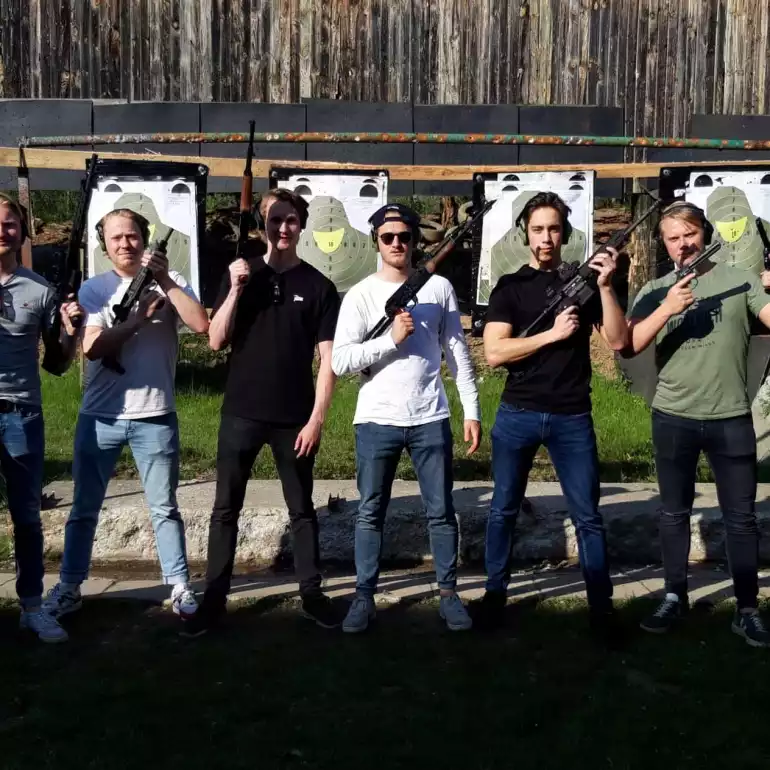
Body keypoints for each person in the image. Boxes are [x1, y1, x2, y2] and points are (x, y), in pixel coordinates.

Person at [182, 188, 341, 637]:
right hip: (241, 413)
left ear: (302, 225)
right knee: (224, 509)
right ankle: (214, 599)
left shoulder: (319, 287)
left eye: (291, 220)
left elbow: (328, 361)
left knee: (302, 510)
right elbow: (215, 338)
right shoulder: (241, 274)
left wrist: (317, 419)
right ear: (263, 225)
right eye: (275, 220)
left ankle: (312, 593)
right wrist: (233, 289)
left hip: (294, 418)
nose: (283, 228)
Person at [44, 207, 209, 627]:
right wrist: (137, 321)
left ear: (144, 238)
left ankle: (178, 585)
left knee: (164, 508)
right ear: (105, 244)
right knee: (84, 509)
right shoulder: (94, 289)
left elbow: (201, 323)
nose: (125, 244)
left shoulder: (170, 283)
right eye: (116, 237)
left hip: (156, 414)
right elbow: (94, 348)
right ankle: (69, 586)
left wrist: (167, 281)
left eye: (132, 236)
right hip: (100, 415)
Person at [476, 191, 628, 638]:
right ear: (526, 232)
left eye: (555, 229)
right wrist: (553, 334)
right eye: (539, 229)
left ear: (566, 233)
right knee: (503, 510)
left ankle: (601, 608)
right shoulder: (509, 287)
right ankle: (494, 595)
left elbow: (619, 341)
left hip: (571, 416)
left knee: (588, 517)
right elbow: (495, 352)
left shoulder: (585, 282)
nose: (547, 238)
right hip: (517, 413)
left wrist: (604, 286)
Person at [331, 203, 481, 633]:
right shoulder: (360, 295)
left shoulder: (439, 289)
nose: (397, 244)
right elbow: (341, 361)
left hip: (430, 415)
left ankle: (449, 594)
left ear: (417, 240)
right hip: (376, 419)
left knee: (441, 510)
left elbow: (458, 353)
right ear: (376, 240)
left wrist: (470, 408)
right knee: (369, 512)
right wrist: (390, 341)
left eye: (405, 236)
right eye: (388, 237)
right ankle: (363, 597)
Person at [626, 201, 770, 647]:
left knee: (741, 519)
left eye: (689, 233)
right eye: (673, 236)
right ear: (664, 244)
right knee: (673, 514)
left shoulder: (739, 279)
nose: (683, 243)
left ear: (704, 234)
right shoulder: (654, 289)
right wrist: (667, 306)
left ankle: (747, 609)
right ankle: (674, 596)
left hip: (730, 416)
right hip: (673, 417)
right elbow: (630, 343)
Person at [0, 194, 82, 642]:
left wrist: (71, 333)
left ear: (23, 231)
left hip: (21, 413)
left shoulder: (39, 290)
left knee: (26, 515)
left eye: (11, 224)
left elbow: (57, 365)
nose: (3, 230)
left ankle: (33, 606)